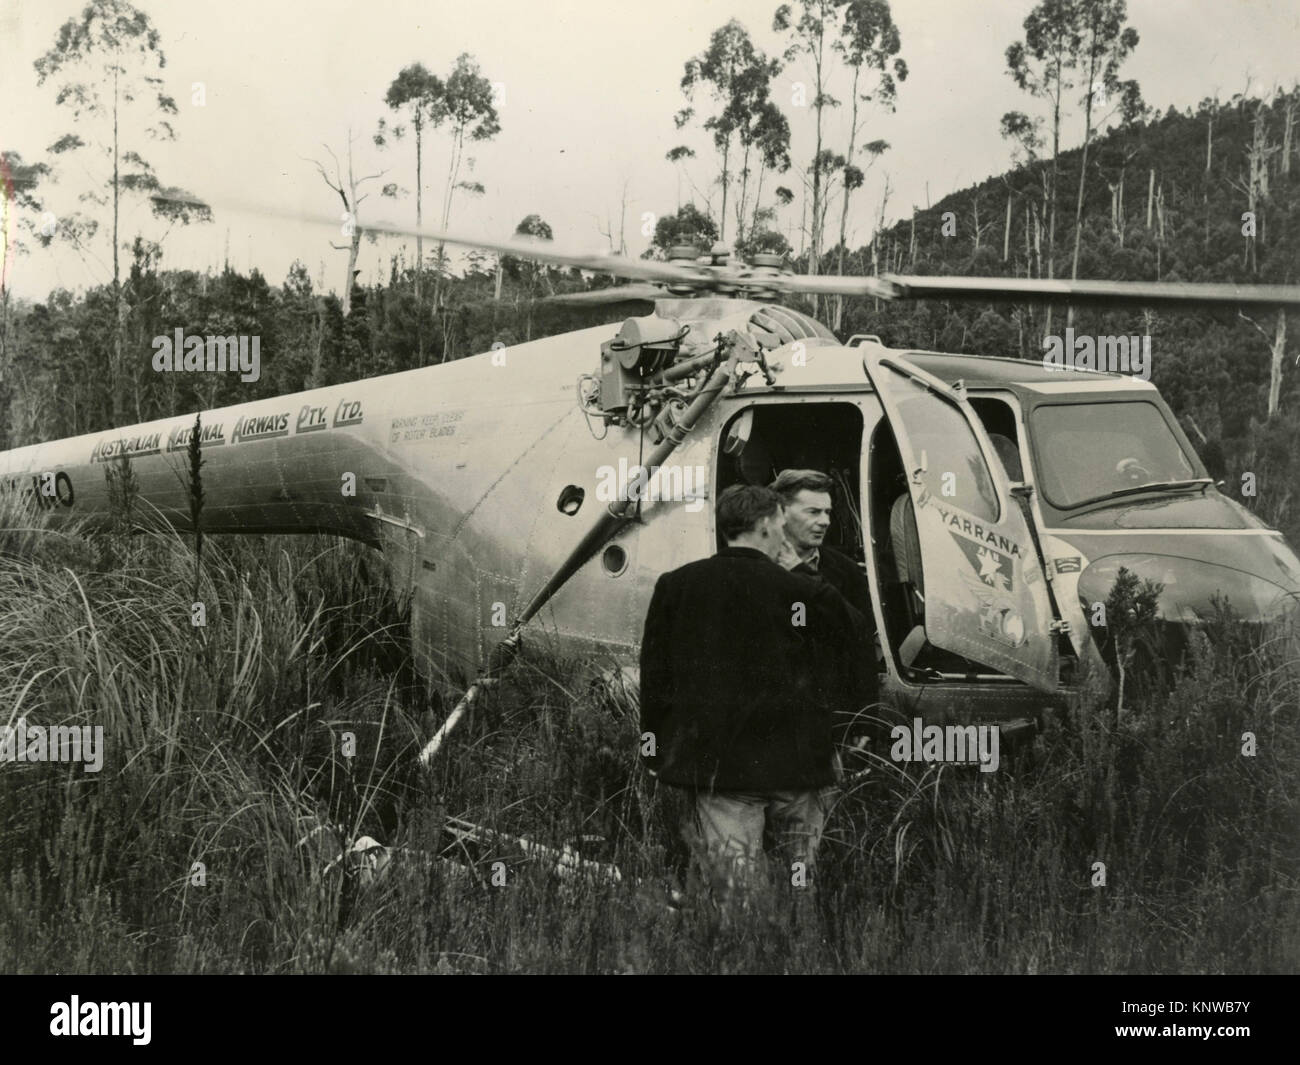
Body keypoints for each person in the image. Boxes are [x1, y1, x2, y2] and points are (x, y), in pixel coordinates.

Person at [638, 484, 865, 897]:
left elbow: (656, 679)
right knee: (800, 876)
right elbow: (852, 634)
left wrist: (653, 749)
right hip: (800, 764)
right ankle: (799, 948)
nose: (783, 534)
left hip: (722, 767)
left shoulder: (678, 586)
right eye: (780, 524)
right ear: (763, 526)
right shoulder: (799, 588)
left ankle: (748, 953)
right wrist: (802, 572)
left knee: (737, 888)